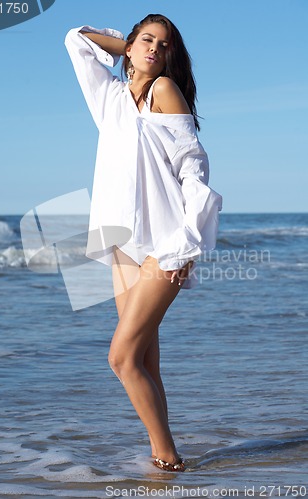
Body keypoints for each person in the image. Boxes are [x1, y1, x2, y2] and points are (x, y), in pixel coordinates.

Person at [65, 13, 222, 472]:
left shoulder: (164, 92)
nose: (156, 49)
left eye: (164, 44)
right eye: (147, 41)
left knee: (121, 356)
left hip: (166, 238)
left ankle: (166, 456)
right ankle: (165, 457)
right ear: (129, 46)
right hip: (121, 241)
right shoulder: (109, 96)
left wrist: (188, 244)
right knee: (145, 360)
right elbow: (75, 40)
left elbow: (193, 168)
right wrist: (127, 47)